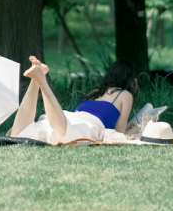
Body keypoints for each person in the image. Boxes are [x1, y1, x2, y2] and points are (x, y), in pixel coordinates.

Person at [9, 57, 138, 145]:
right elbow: (119, 133)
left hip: (69, 117)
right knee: (65, 135)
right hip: (86, 125)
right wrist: (138, 128)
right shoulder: (125, 95)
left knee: (19, 134)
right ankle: (41, 80)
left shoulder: (96, 91)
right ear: (130, 80)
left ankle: (36, 79)